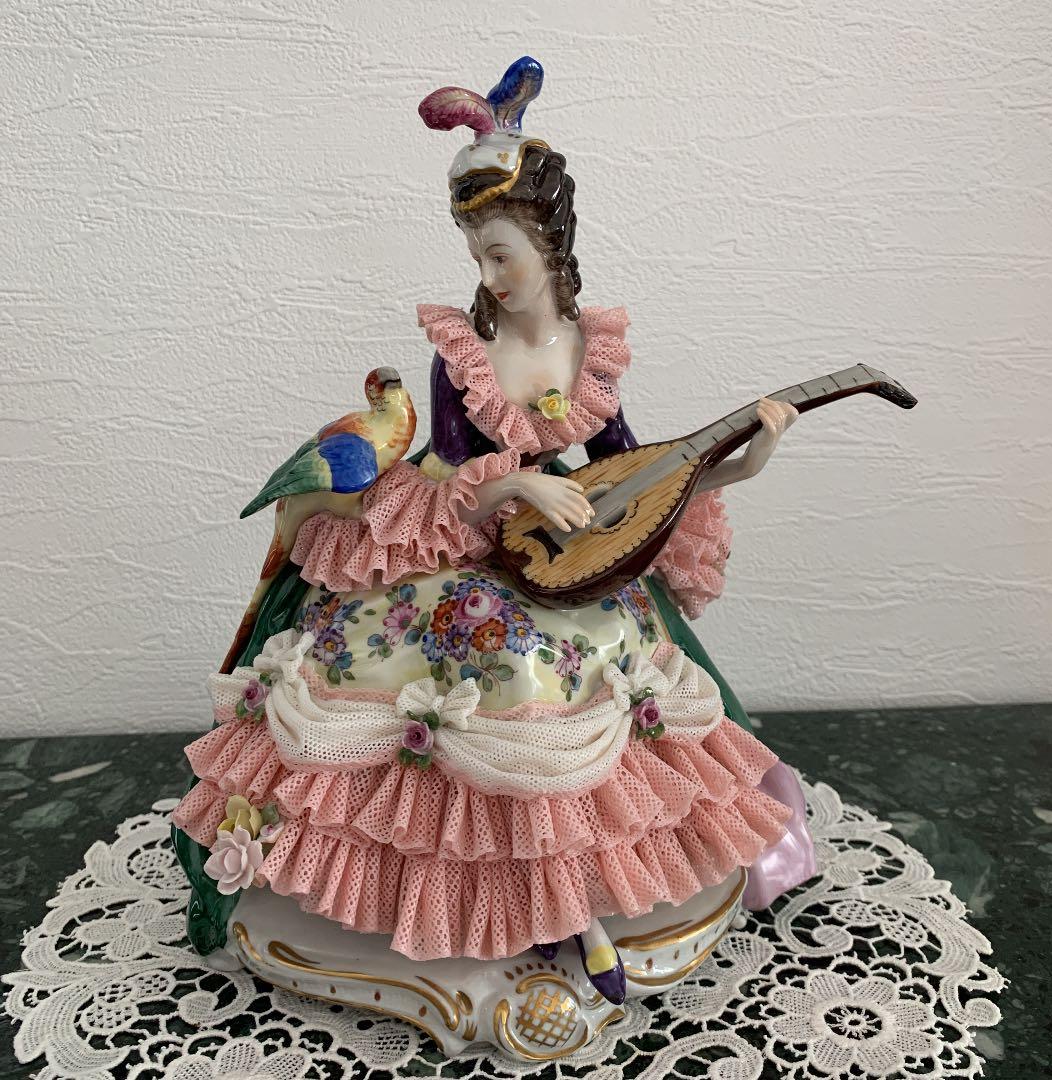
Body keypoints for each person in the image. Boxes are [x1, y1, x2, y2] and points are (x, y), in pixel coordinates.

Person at [171, 57, 816, 1007]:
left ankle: (580, 899)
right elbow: (452, 475)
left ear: (550, 245)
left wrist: (747, 460)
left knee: (580, 670)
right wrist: (515, 483)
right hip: (460, 540)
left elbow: (636, 472)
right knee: (495, 662)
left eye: (501, 254)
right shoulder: (463, 357)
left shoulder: (589, 351)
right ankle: (454, 901)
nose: (488, 277)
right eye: (476, 255)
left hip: (561, 546)